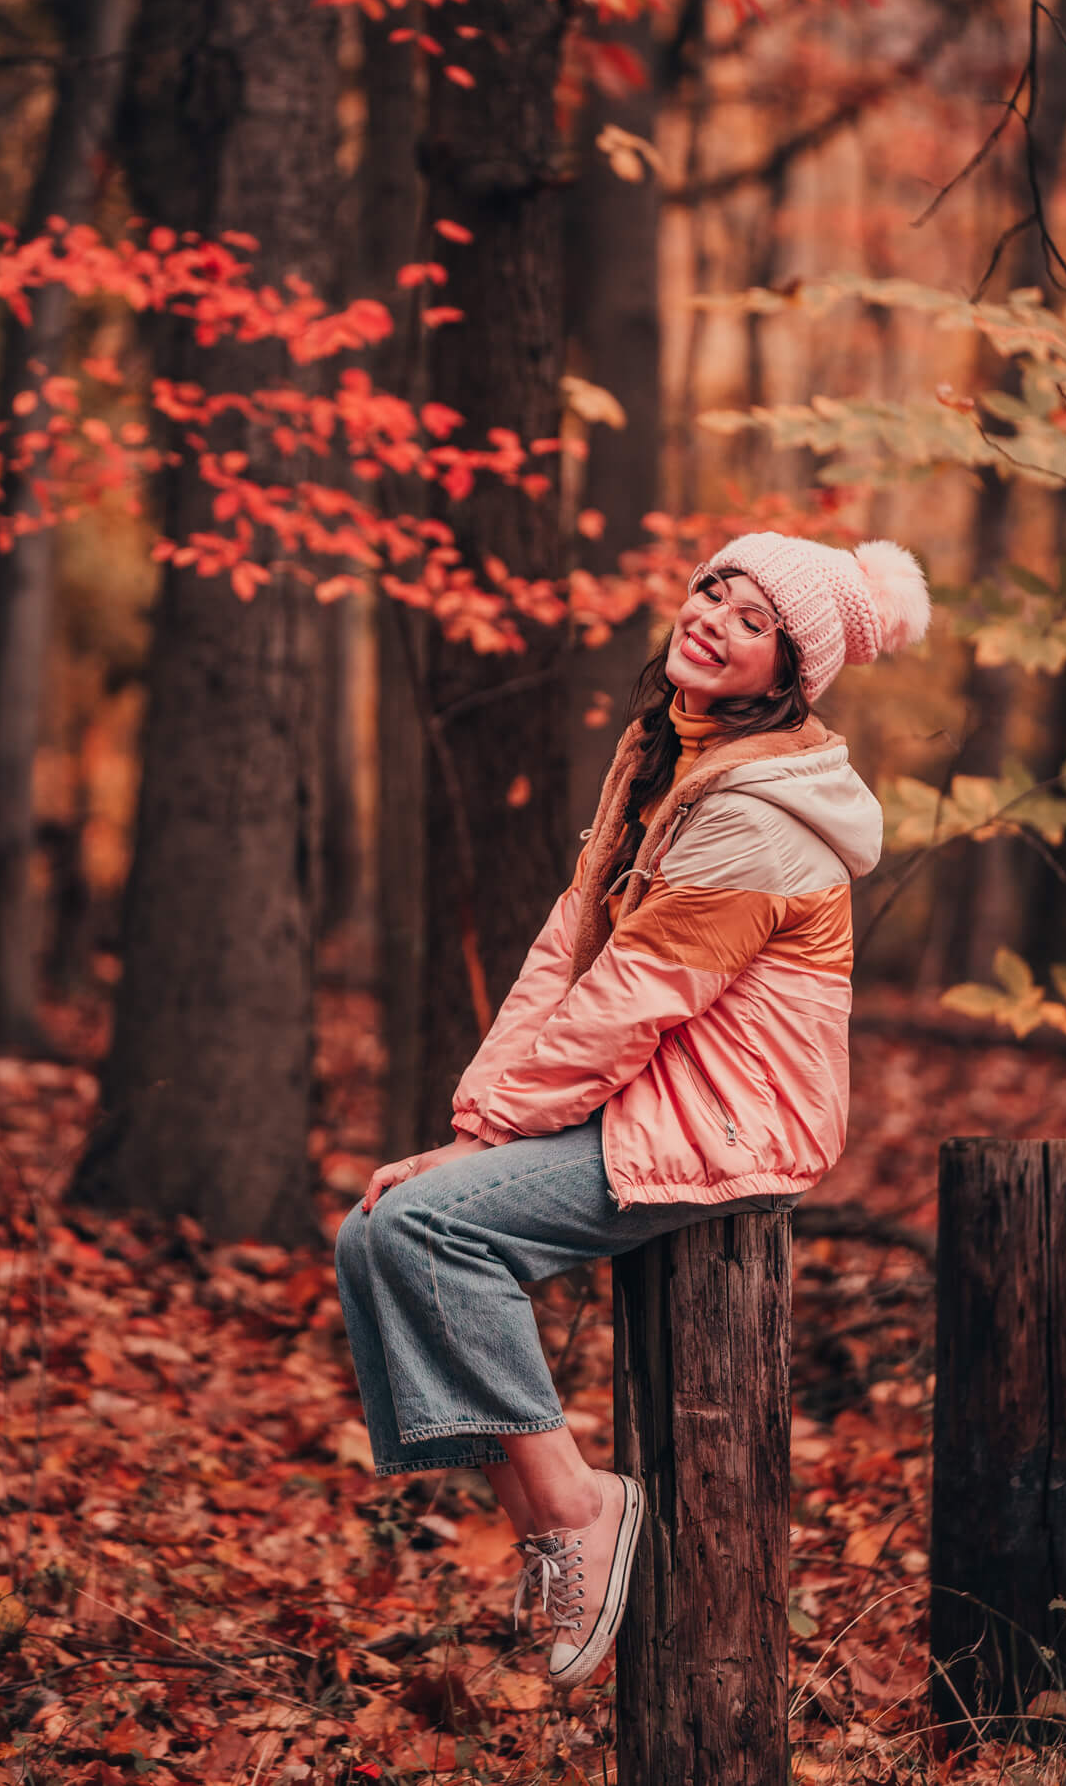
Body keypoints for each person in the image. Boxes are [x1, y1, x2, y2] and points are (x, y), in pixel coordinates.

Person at [334, 530, 930, 1690]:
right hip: (647, 1091)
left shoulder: (758, 815)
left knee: (422, 1228)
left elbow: (627, 1006)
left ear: (786, 676)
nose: (712, 616)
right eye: (714, 587)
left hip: (726, 1120)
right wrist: (475, 1125)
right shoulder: (667, 752)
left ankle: (580, 1509)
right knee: (370, 1232)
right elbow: (568, 948)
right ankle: (548, 1520)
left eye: (753, 620)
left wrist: (487, 1141)